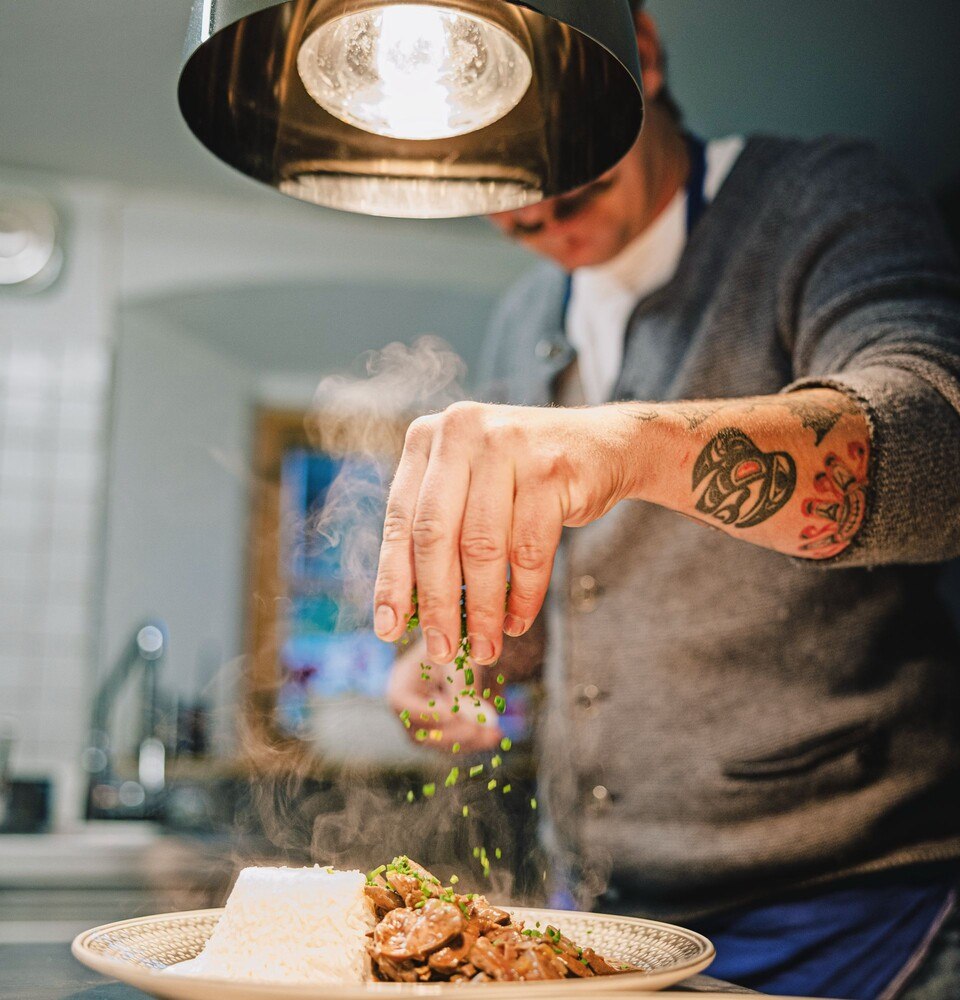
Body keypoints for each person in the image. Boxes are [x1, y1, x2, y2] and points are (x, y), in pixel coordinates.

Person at [374, 3, 960, 997]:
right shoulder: (527, 318)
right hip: (607, 911)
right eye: (516, 218)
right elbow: (568, 605)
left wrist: (632, 442)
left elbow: (936, 446)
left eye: (576, 192)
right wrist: (471, 662)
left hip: (855, 904)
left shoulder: (820, 199)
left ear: (638, 55)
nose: (554, 235)